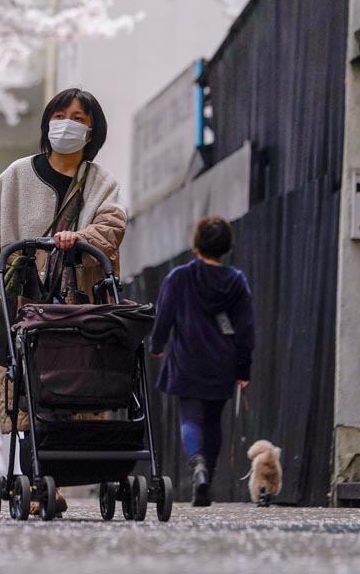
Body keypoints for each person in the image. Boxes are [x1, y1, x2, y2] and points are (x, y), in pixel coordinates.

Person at [0, 88, 126, 514]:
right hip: (24, 305)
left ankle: (54, 479)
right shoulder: (15, 177)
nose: (68, 123)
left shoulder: (102, 184)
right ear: (47, 122)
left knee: (74, 394)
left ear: (92, 129)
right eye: (61, 114)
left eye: (79, 117)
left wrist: (78, 240)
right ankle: (41, 483)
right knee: (27, 396)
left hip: (78, 309)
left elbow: (112, 227)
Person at [149, 216, 255, 507]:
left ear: (197, 244)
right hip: (222, 362)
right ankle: (208, 473)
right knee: (213, 422)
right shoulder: (236, 281)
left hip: (186, 360)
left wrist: (157, 346)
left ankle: (197, 465)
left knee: (190, 418)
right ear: (225, 246)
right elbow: (245, 328)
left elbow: (164, 316)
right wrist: (243, 369)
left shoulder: (179, 277)